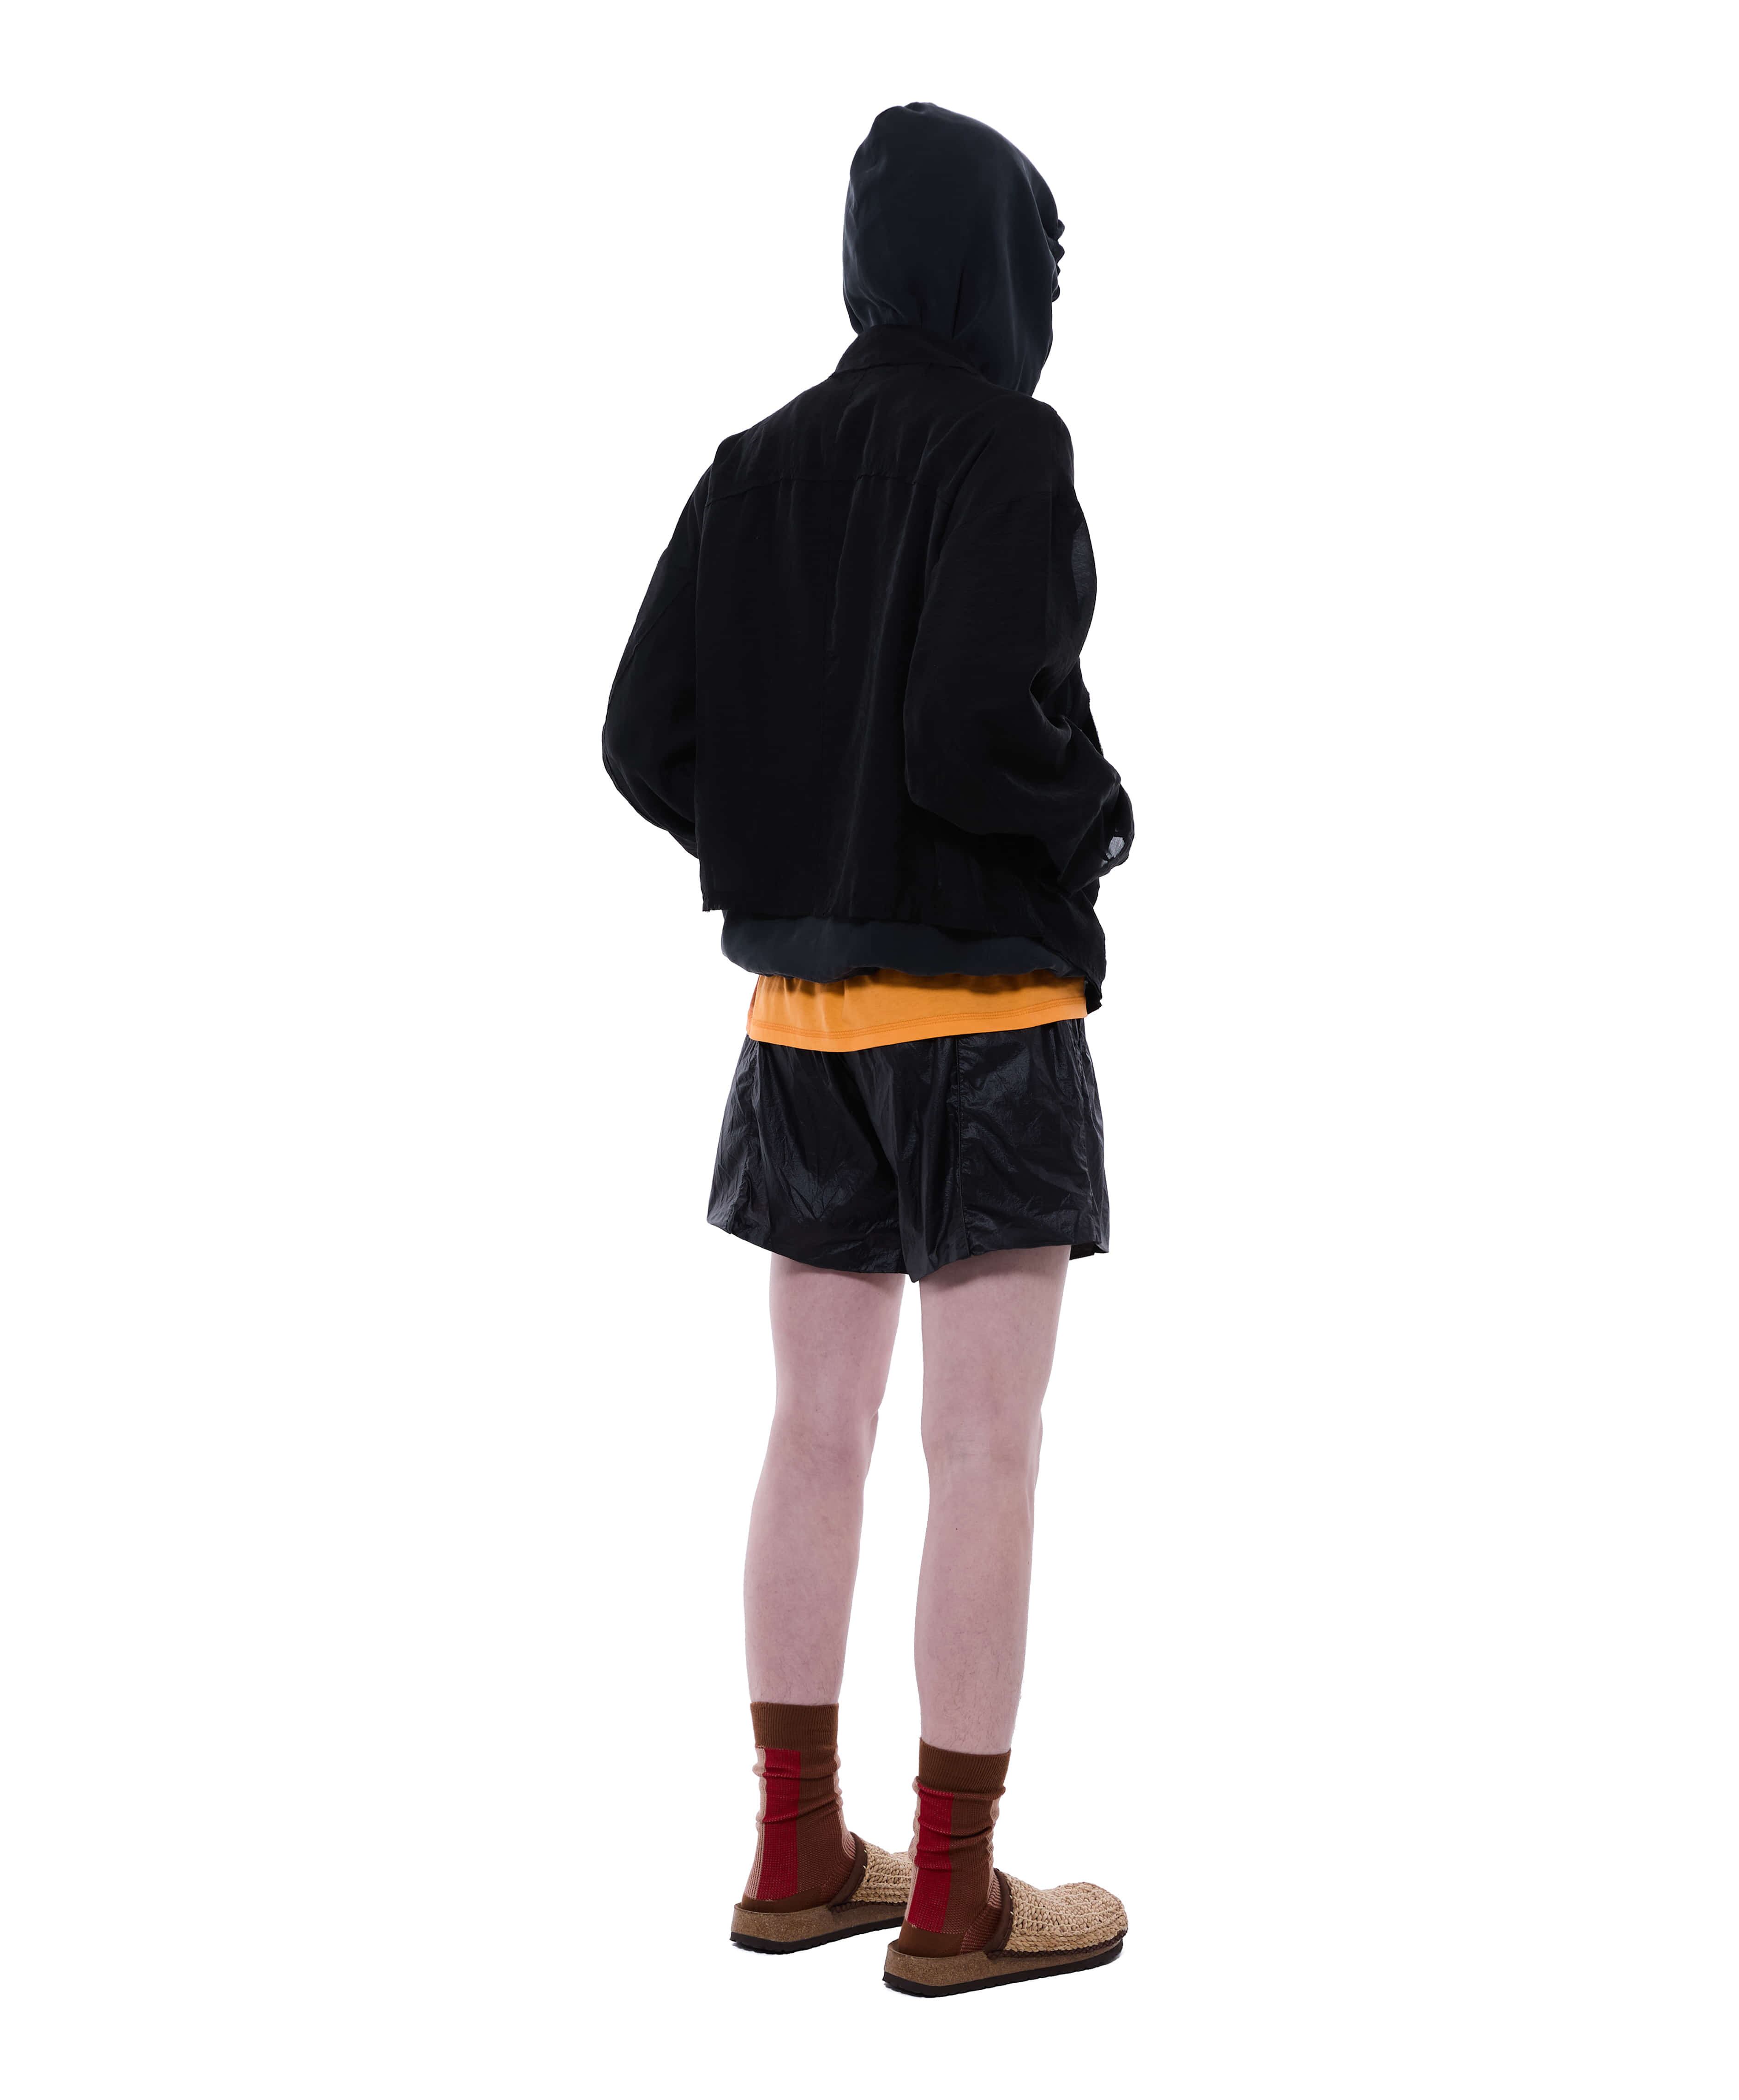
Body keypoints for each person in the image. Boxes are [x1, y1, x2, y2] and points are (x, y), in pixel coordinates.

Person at [603, 102, 1135, 1998]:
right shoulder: (1007, 446)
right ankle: (954, 1896)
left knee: (810, 1438)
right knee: (981, 1446)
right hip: (986, 1028)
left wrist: (796, 849)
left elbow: (641, 737)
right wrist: (1098, 817)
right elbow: (975, 737)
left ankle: (792, 1849)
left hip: (801, 1029)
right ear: (991, 262)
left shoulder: (754, 464)